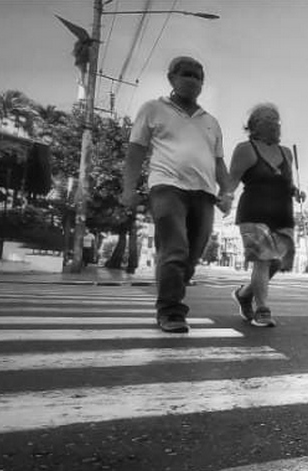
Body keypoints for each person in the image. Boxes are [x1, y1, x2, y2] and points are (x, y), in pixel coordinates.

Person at [121, 56, 227, 333]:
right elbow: (136, 151)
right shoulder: (153, 109)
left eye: (198, 77)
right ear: (172, 78)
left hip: (204, 193)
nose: (192, 80)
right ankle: (170, 311)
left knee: (192, 256)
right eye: (186, 74)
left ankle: (172, 294)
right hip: (167, 188)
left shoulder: (211, 122)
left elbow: (219, 163)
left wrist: (227, 191)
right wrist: (128, 188)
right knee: (175, 249)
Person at [217, 103, 303, 327]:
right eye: (268, 119)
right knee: (263, 260)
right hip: (254, 211)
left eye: (276, 120)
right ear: (254, 125)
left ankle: (245, 294)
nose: (274, 123)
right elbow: (232, 179)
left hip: (282, 212)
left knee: (278, 261)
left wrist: (296, 192)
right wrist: (225, 197)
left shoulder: (286, 153)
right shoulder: (245, 149)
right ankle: (262, 309)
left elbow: (287, 183)